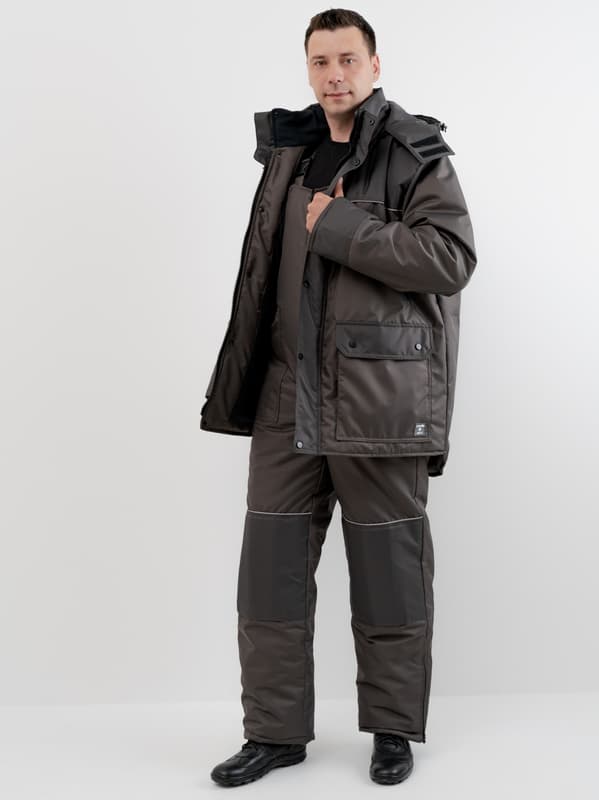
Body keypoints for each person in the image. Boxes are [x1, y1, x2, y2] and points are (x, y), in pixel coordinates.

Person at [202, 7, 477, 787]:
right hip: (284, 396)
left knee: (389, 575)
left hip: (376, 396)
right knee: (268, 579)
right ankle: (274, 734)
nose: (333, 75)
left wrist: (343, 227)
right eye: (320, 61)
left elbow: (449, 258)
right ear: (308, 69)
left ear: (374, 65)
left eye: (347, 59)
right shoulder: (288, 152)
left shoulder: (413, 151)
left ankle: (391, 732)